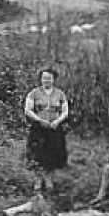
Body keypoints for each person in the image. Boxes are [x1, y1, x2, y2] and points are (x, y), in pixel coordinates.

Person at [23, 67, 70, 200]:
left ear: (54, 79)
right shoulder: (34, 93)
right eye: (44, 78)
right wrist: (39, 120)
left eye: (49, 78)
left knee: (52, 155)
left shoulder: (60, 94)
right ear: (41, 79)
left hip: (54, 128)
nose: (46, 80)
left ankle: (49, 180)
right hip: (38, 128)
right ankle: (38, 181)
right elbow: (28, 110)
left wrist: (58, 121)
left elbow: (65, 111)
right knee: (37, 154)